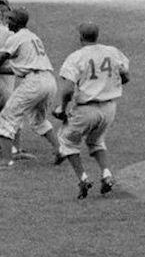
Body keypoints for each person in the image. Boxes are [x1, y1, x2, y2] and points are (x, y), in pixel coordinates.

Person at [52, 23, 130, 199]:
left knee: (67, 142)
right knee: (96, 141)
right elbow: (125, 76)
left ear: (80, 37)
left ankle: (83, 179)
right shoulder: (112, 51)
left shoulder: (76, 57)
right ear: (97, 35)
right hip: (110, 108)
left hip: (86, 109)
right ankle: (106, 174)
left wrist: (62, 109)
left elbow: (67, 90)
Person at [0, 8, 59, 161]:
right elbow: (16, 68)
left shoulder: (16, 37)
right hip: (49, 81)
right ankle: (59, 149)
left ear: (18, 22)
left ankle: (7, 162)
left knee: (7, 117)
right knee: (38, 120)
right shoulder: (32, 36)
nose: (7, 23)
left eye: (10, 20)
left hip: (34, 83)